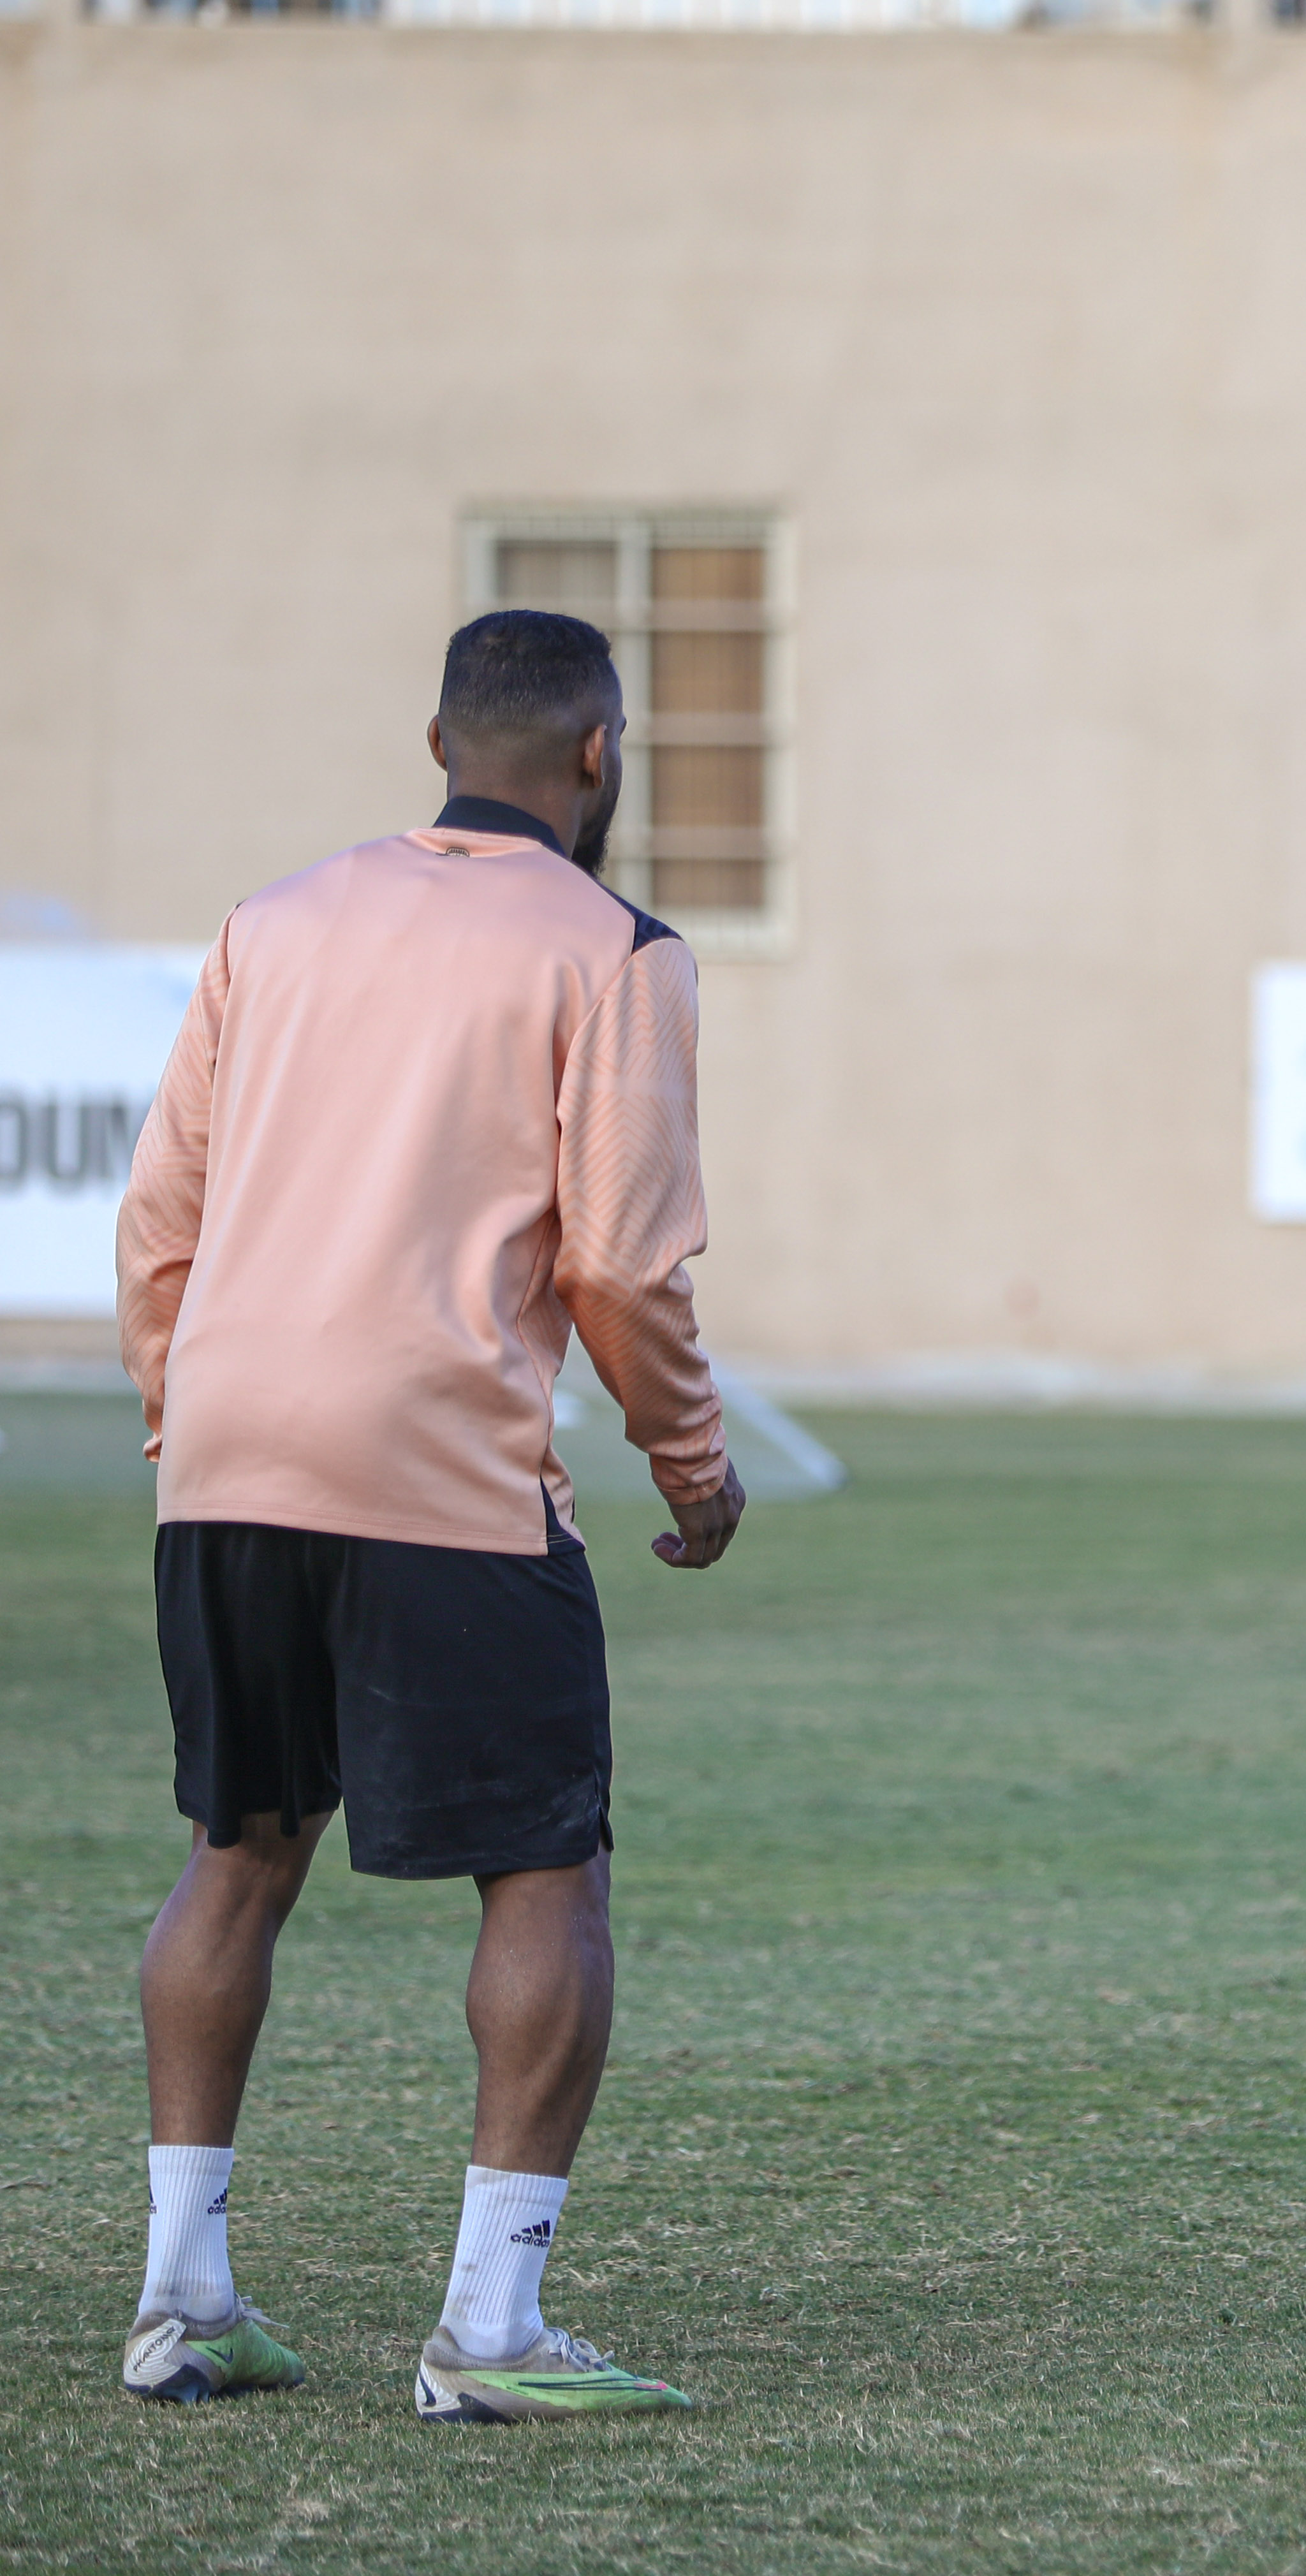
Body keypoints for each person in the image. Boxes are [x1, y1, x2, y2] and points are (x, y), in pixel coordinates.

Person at [113, 610, 745, 2418]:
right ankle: (491, 2330)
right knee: (548, 1868)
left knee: (241, 1844)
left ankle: (183, 2300)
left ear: (439, 742)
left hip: (230, 1452)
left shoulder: (276, 918)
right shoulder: (618, 951)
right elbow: (624, 1266)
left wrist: (198, 1417)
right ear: (602, 756)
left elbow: (162, 1221)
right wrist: (693, 1473)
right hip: (443, 1465)